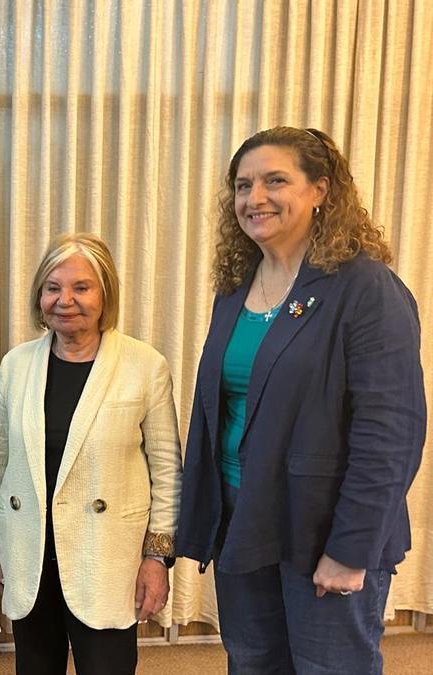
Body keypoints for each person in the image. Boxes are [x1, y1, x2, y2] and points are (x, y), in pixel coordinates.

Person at [176, 126, 425, 674]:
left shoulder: (367, 288)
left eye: (275, 181)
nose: (254, 198)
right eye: (243, 185)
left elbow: (391, 433)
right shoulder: (236, 286)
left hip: (322, 528)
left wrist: (352, 547)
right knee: (253, 662)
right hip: (243, 519)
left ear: (321, 190)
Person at [0, 232, 181, 675]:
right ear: (40, 296)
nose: (65, 299)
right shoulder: (17, 364)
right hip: (29, 547)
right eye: (53, 287)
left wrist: (157, 556)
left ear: (105, 294)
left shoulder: (145, 366)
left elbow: (167, 473)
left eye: (81, 287)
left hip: (107, 556)